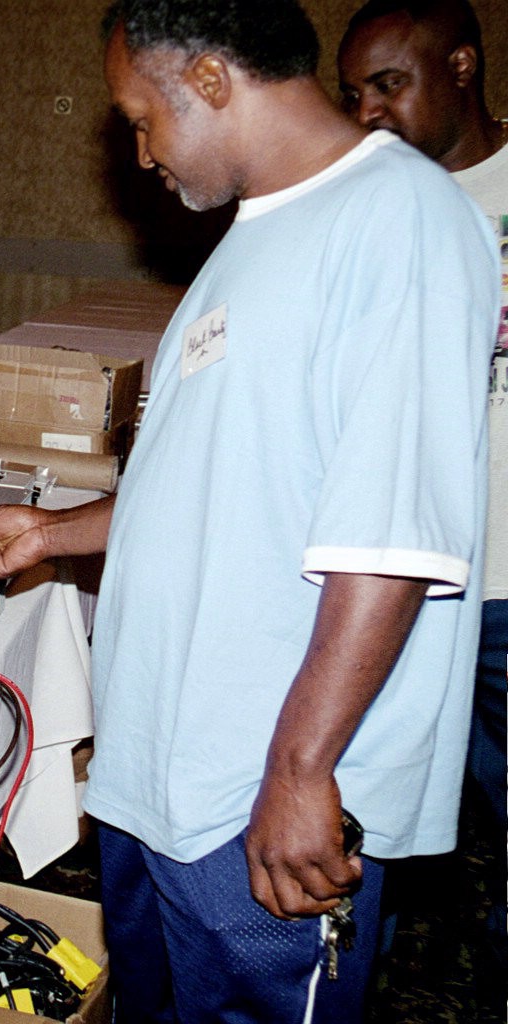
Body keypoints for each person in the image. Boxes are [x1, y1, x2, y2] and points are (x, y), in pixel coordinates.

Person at [0, 1, 498, 1019]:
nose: (140, 152)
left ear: (205, 80)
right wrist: (53, 533)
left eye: (140, 117)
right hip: (164, 782)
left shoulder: (400, 219)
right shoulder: (249, 239)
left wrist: (300, 768)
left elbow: (394, 539)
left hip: (259, 803)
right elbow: (206, 482)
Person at [338, 0, 508, 965]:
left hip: (507, 568)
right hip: (397, 576)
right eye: (354, 93)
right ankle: (361, 956)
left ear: (462, 67)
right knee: (374, 793)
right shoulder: (366, 199)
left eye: (390, 86)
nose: (368, 113)